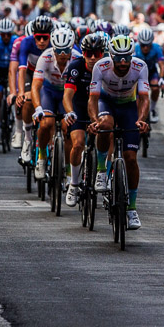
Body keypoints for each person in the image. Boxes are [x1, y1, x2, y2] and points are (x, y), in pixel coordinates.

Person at [89, 35, 151, 229]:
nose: (123, 62)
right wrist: (94, 121)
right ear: (111, 55)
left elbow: (144, 98)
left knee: (131, 158)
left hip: (128, 107)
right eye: (119, 58)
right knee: (105, 124)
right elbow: (92, 99)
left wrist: (141, 120)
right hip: (106, 103)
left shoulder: (140, 66)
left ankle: (131, 209)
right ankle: (101, 170)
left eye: (127, 57)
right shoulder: (101, 66)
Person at [63, 32, 107, 207]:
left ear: (103, 53)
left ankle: (105, 173)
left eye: (97, 53)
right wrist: (69, 112)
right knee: (78, 143)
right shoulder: (76, 66)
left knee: (108, 134)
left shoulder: (107, 67)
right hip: (80, 105)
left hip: (100, 105)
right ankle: (74, 183)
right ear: (83, 53)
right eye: (89, 53)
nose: (93, 58)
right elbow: (67, 95)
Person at [31, 26, 76, 180]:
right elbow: (36, 86)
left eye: (66, 51)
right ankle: (42, 157)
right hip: (49, 92)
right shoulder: (45, 57)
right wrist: (37, 108)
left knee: (68, 129)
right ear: (53, 48)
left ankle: (70, 171)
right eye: (58, 51)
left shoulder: (77, 58)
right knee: (45, 123)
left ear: (71, 48)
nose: (62, 55)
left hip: (67, 94)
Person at [17, 17, 54, 164]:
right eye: (38, 38)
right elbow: (21, 69)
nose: (41, 42)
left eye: (45, 38)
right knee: (27, 100)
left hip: (47, 76)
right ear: (33, 35)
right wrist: (21, 92)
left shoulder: (54, 44)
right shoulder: (26, 42)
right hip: (31, 74)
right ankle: (27, 139)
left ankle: (50, 143)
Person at [134, 27, 164, 123]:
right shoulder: (135, 48)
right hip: (138, 74)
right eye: (143, 45)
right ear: (139, 43)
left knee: (156, 88)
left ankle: (151, 109)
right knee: (137, 96)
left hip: (151, 72)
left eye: (148, 45)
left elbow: (162, 65)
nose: (145, 48)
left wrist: (162, 78)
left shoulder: (156, 48)